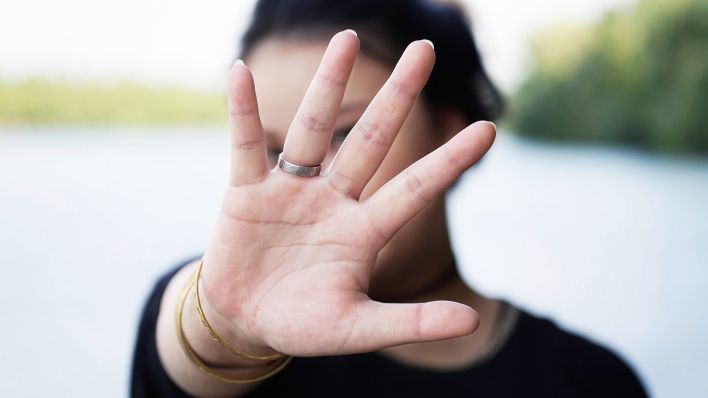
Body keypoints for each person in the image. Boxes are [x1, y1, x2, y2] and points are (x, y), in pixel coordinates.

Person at [131, 0, 647, 396]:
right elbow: (188, 350)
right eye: (271, 150)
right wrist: (225, 325)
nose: (301, 181)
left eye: (344, 133)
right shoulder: (225, 322)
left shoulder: (588, 379)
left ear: (449, 133)